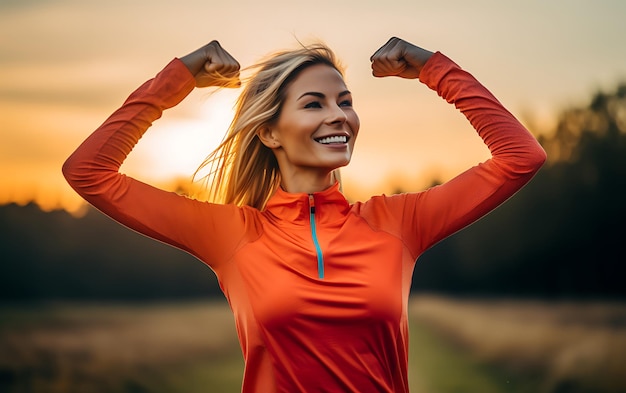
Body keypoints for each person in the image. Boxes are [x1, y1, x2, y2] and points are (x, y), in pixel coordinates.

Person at [63, 37, 546, 392]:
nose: (339, 115)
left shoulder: (396, 223)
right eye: (314, 104)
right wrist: (180, 79)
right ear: (270, 133)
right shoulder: (232, 235)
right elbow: (89, 171)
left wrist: (435, 69)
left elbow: (520, 157)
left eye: (345, 102)